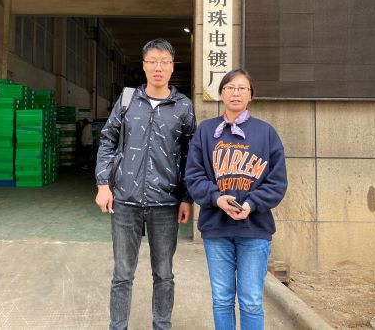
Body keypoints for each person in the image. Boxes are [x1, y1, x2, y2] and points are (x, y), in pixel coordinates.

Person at [95, 38, 196, 330]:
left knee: (163, 274)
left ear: (172, 67)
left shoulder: (183, 106)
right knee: (122, 274)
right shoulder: (128, 100)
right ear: (144, 65)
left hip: (165, 203)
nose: (158, 67)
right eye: (152, 61)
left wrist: (186, 197)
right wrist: (103, 184)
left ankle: (162, 325)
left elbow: (190, 155)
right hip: (125, 200)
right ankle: (118, 326)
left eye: (164, 62)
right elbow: (108, 140)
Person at [184, 69, 288, 330]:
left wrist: (251, 204)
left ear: (251, 95)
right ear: (221, 93)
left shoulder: (266, 133)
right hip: (216, 228)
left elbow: (277, 182)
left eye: (242, 88)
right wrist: (216, 198)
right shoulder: (206, 131)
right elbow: (193, 176)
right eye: (230, 87)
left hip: (254, 229)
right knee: (221, 299)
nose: (236, 93)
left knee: (251, 300)